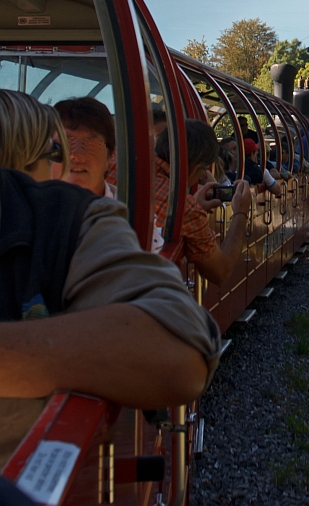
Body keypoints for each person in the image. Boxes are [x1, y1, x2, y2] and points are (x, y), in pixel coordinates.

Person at [0, 90, 220, 409]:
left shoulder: (81, 217)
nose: (74, 158)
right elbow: (188, 335)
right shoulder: (82, 216)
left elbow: (181, 345)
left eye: (89, 143)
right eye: (64, 147)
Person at [154, 120, 252, 286]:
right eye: (203, 171)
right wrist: (241, 213)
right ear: (195, 169)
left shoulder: (115, 164)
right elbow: (220, 271)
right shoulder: (184, 207)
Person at [55, 97, 116, 199]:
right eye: (66, 144)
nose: (77, 156)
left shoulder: (136, 211)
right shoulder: (25, 211)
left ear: (109, 156)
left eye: (91, 145)